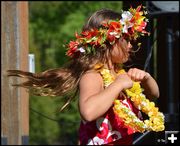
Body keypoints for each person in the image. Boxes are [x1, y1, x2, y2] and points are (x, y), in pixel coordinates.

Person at [7, 5, 165, 145]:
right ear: (109, 41)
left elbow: (154, 95)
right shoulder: (93, 75)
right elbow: (89, 112)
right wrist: (117, 85)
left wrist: (146, 78)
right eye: (127, 39)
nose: (131, 45)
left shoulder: (120, 73)